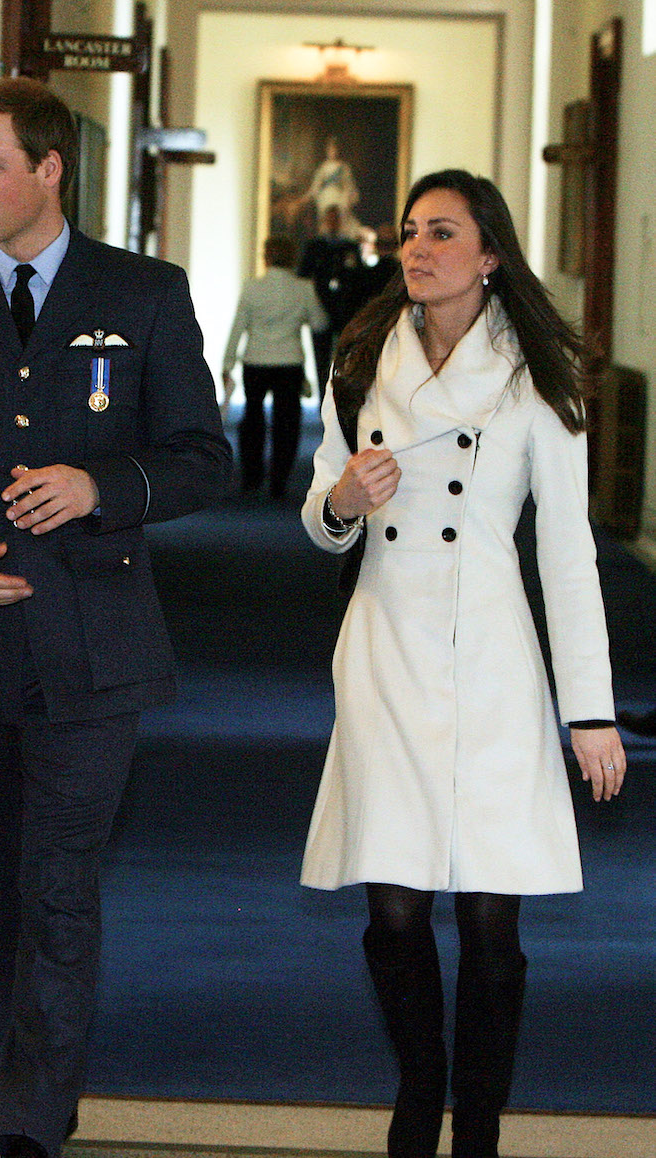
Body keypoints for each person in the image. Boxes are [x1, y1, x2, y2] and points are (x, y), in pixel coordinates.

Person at [0, 77, 231, 1158]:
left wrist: (100, 486)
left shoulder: (144, 293)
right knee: (5, 895)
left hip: (95, 650)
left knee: (61, 889)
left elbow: (203, 460)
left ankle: (24, 1133)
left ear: (49, 168)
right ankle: (44, 1085)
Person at [300, 169, 626, 1158]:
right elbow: (321, 517)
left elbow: (566, 554)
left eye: (442, 231)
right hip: (385, 653)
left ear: (488, 256)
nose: (417, 247)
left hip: (491, 659)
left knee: (491, 930)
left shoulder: (538, 377)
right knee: (392, 912)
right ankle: (417, 1092)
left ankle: (475, 1125)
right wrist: (343, 502)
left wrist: (591, 711)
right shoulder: (359, 362)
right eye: (408, 230)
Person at [222, 237, 327, 496]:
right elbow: (320, 324)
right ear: (292, 258)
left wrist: (227, 362)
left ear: (265, 257)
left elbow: (238, 327)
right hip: (289, 362)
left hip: (255, 360)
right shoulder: (303, 288)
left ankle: (251, 476)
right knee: (287, 422)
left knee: (253, 418)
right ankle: (279, 479)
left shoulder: (251, 288)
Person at [298, 205, 367, 398]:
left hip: (345, 311)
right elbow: (303, 276)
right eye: (330, 219)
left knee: (346, 359)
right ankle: (323, 400)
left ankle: (342, 400)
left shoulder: (350, 247)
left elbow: (359, 277)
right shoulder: (314, 246)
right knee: (321, 360)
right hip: (319, 308)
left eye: (336, 219)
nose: (333, 223)